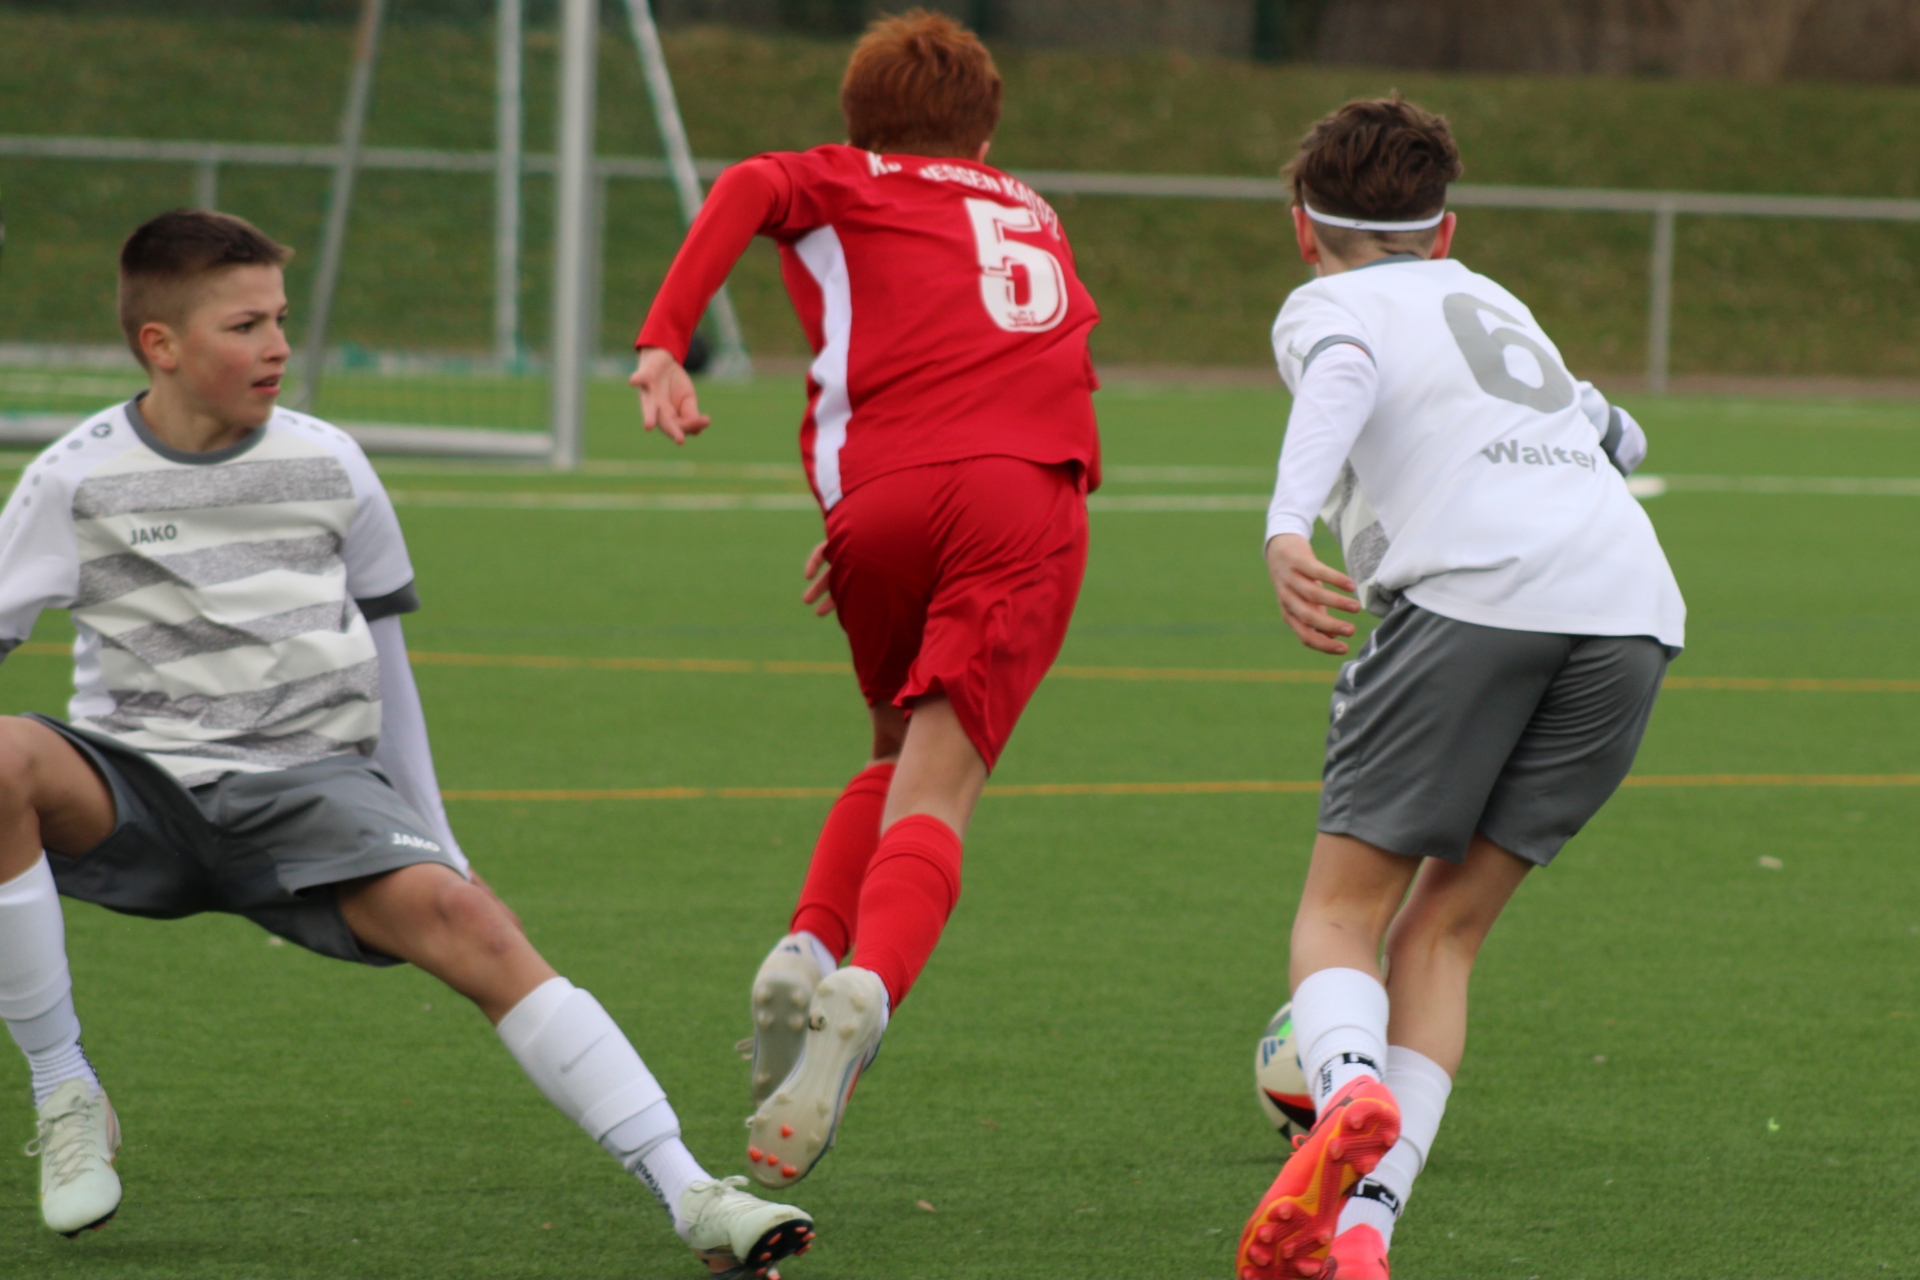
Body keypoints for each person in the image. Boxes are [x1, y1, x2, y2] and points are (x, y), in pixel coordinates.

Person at [0, 209, 814, 1278]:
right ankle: (64, 1087)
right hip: (136, 788)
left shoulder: (333, 461)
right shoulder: (71, 477)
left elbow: (389, 666)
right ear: (160, 344)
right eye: (245, 326)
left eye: (280, 318)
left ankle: (692, 1191)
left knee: (476, 924)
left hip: (311, 789)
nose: (278, 346)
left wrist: (440, 841)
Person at [630, 10, 1100, 1189]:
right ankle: (865, 988)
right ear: (985, 133)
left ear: (857, 122)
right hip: (1019, 492)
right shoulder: (1030, 208)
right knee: (940, 786)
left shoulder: (847, 178)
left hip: (877, 502)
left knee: (891, 750)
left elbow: (749, 182)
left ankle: (806, 943)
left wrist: (666, 339)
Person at [1236, 98, 1684, 1280]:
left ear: (1304, 230)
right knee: (1443, 934)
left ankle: (1345, 1088)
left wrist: (1287, 526)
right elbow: (1620, 437)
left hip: (1478, 596)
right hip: (1633, 610)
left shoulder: (1328, 302)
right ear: (1445, 232)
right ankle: (1363, 1232)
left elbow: (1340, 369)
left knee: (1341, 914)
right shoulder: (1493, 300)